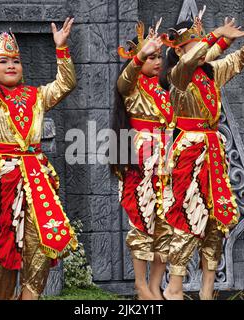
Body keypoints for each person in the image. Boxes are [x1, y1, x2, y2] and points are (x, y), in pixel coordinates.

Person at [0, 17, 78, 300]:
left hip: (37, 178)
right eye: (3, 61)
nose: (11, 65)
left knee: (40, 244)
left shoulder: (36, 96)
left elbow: (66, 84)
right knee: (4, 247)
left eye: (15, 60)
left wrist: (61, 49)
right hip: (2, 180)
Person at [159, 8, 244, 300]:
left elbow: (236, 61)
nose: (203, 48)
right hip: (189, 152)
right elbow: (195, 57)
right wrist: (217, 36)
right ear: (179, 52)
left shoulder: (210, 74)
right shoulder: (178, 76)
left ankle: (207, 290)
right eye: (196, 44)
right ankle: (174, 288)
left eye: (203, 42)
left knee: (216, 222)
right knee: (189, 219)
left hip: (213, 153)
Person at [111, 20, 174, 300]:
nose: (157, 61)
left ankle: (154, 286)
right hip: (141, 161)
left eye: (159, 55)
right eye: (151, 57)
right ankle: (140, 284)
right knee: (142, 221)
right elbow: (124, 80)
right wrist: (138, 57)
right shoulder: (132, 86)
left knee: (167, 225)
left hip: (167, 161)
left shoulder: (163, 91)